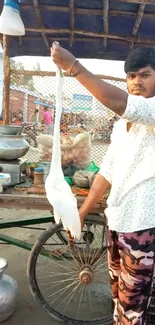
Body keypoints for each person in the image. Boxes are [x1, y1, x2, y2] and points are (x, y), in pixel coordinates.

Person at [51, 43, 155, 325]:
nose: (136, 82)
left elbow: (120, 101)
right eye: (131, 77)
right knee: (119, 298)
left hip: (142, 226)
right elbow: (106, 171)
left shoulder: (152, 110)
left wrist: (74, 67)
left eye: (144, 75)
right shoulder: (123, 124)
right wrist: (81, 213)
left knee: (133, 307)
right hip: (117, 221)